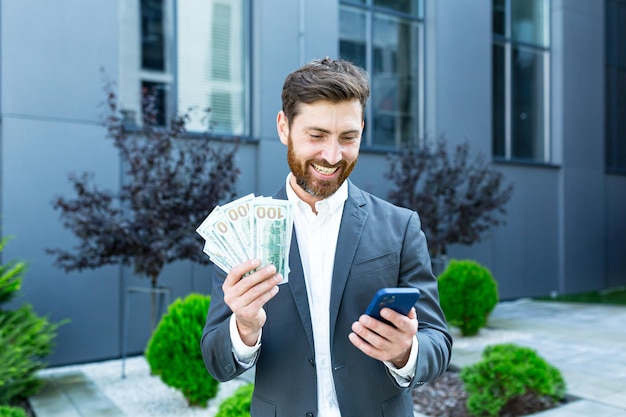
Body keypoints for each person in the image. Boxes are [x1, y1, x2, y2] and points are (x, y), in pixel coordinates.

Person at [201, 57, 452, 417]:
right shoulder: (244, 232)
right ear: (283, 127)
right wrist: (243, 326)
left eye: (348, 137)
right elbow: (216, 362)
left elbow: (438, 343)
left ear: (362, 130)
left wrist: (405, 351)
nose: (332, 156)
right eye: (316, 135)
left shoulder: (401, 227)